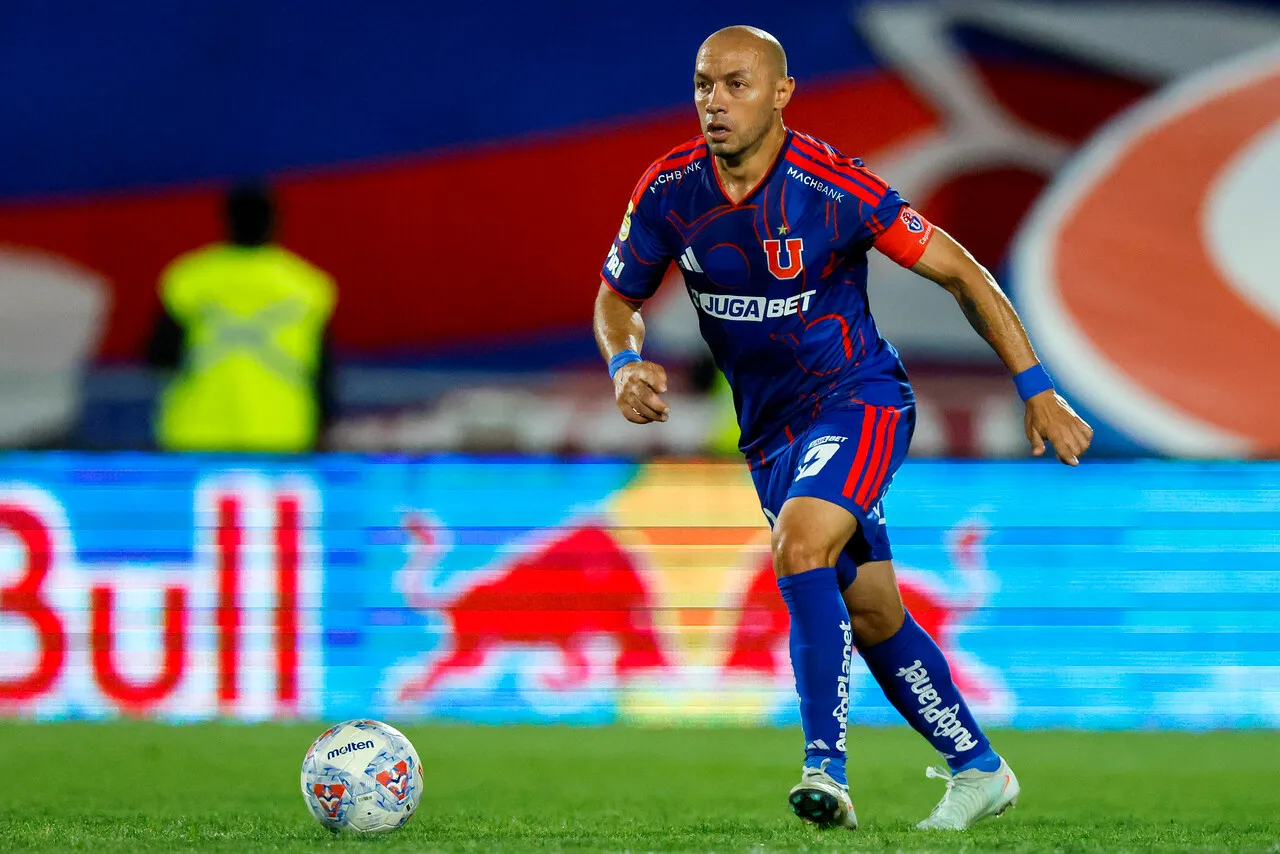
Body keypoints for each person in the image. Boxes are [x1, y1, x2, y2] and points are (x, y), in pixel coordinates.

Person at [593, 25, 1093, 831]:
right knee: (872, 612)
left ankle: (825, 767)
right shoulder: (669, 190)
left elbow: (961, 270)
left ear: (782, 94)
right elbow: (617, 297)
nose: (714, 103)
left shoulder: (832, 186)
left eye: (736, 85)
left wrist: (1035, 386)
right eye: (703, 85)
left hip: (859, 401)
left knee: (800, 545)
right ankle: (980, 769)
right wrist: (624, 363)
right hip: (769, 435)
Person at [147, 184, 337, 452]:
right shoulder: (307, 287)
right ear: (275, 220)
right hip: (282, 434)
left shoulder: (190, 280)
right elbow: (324, 375)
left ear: (227, 219)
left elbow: (158, 356)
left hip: (195, 432)